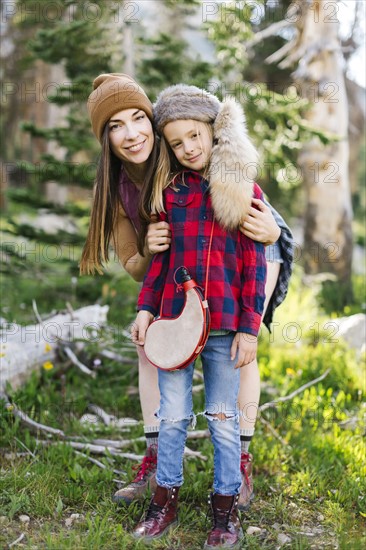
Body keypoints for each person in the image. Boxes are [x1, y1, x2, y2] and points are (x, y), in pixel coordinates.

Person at [80, 74, 292, 510]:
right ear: (105, 139)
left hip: (254, 248)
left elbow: (254, 213)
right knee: (149, 345)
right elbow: (139, 268)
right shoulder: (121, 188)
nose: (132, 133)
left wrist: (271, 231)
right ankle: (158, 457)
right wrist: (147, 246)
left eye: (138, 118)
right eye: (116, 126)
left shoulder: (189, 148)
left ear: (154, 124)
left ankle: (241, 459)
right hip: (185, 264)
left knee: (238, 344)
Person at [130, 84, 271, 547]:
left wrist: (250, 329)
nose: (189, 148)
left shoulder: (242, 190)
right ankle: (163, 499)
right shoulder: (171, 194)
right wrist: (147, 308)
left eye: (195, 135)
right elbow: (160, 264)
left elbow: (255, 269)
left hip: (226, 328)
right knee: (172, 415)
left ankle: (225, 509)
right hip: (176, 325)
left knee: (222, 417)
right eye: (177, 142)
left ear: (213, 132)